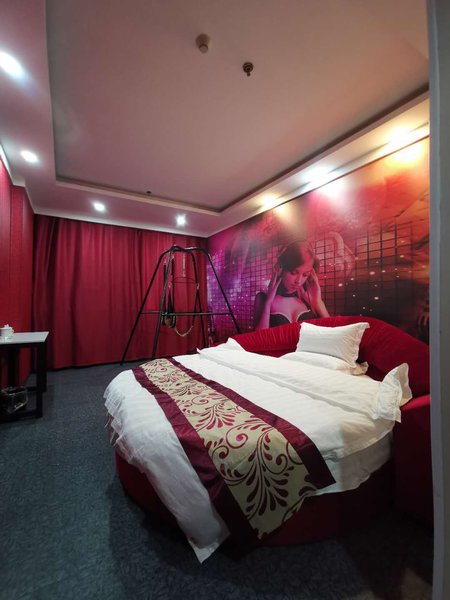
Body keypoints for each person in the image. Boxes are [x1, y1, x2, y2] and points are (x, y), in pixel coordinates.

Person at [254, 241, 330, 329]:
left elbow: (331, 332)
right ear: (281, 269)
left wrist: (318, 302)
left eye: (305, 275)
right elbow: (259, 336)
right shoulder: (262, 298)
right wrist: (268, 304)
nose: (298, 281)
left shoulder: (308, 300)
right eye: (293, 272)